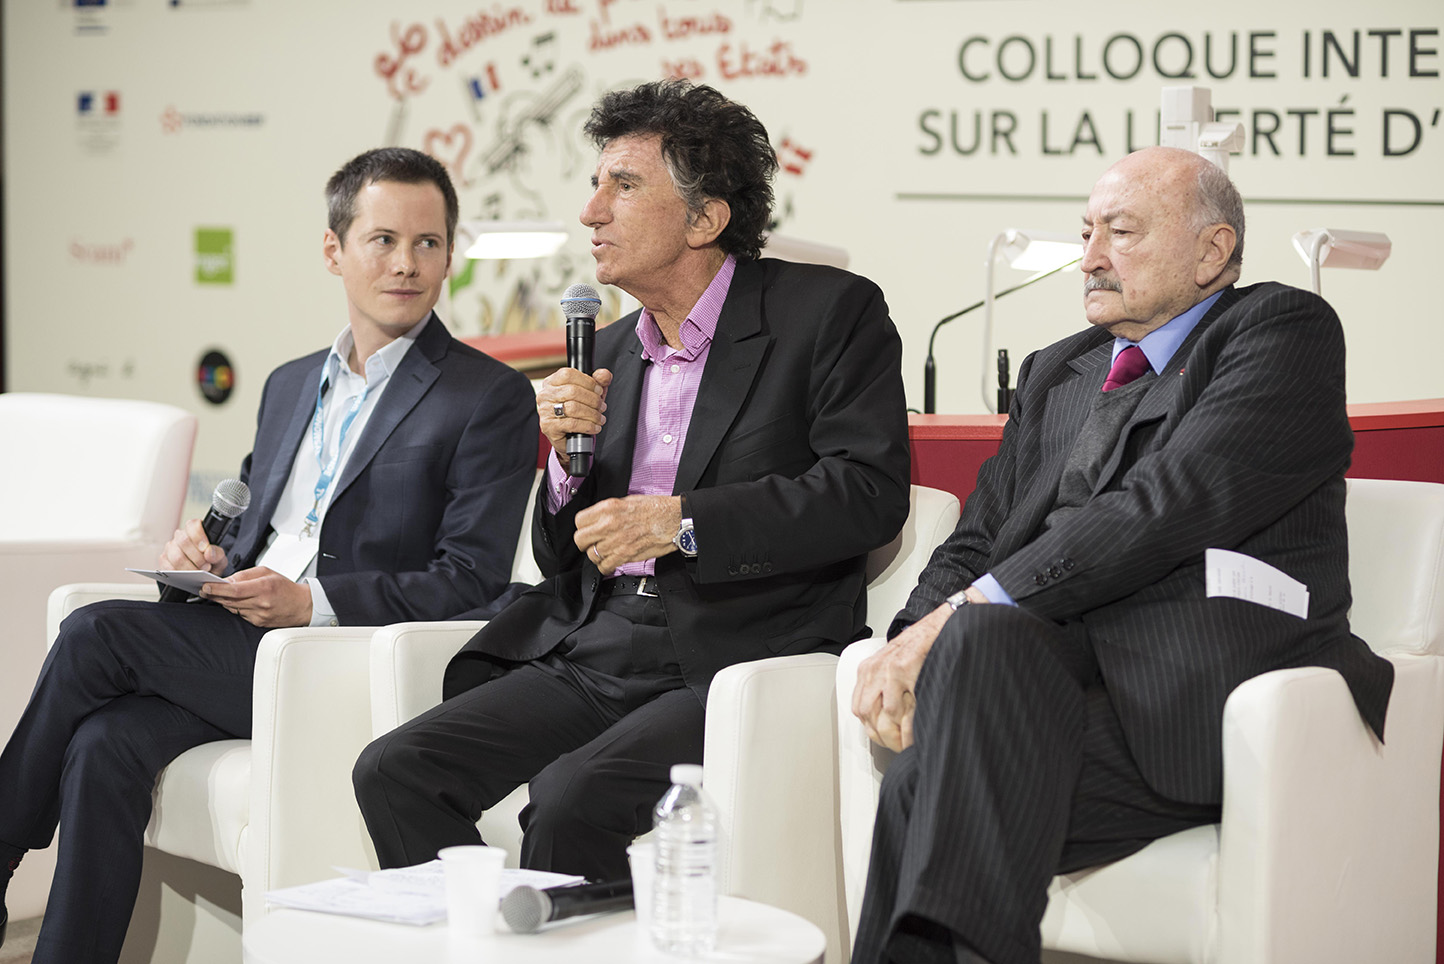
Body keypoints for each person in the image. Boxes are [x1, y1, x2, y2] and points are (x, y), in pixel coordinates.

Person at [352, 79, 911, 881]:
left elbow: (868, 492)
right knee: (394, 770)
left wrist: (681, 522)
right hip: (596, 638)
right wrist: (558, 463)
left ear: (705, 217)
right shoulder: (605, 352)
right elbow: (560, 558)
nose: (591, 213)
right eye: (594, 184)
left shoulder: (827, 314)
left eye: (623, 186)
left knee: (573, 798)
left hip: (734, 646)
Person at [849, 146, 1394, 964]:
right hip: (1033, 682)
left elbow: (1162, 509)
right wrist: (907, 636)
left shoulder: (1278, 330)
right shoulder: (1059, 370)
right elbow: (977, 536)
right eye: (1087, 231)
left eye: (1123, 232)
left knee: (934, 773)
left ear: (1212, 251)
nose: (1092, 256)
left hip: (1204, 692)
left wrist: (964, 617)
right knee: (948, 730)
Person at [0, 147, 539, 963]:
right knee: (103, 743)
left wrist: (310, 602)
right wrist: (205, 554)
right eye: (383, 239)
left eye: (428, 244)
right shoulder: (290, 384)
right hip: (239, 640)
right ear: (335, 250)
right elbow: (256, 528)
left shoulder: (486, 396)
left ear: (450, 255)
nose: (406, 263)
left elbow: (471, 581)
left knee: (95, 635)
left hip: (338, 659)